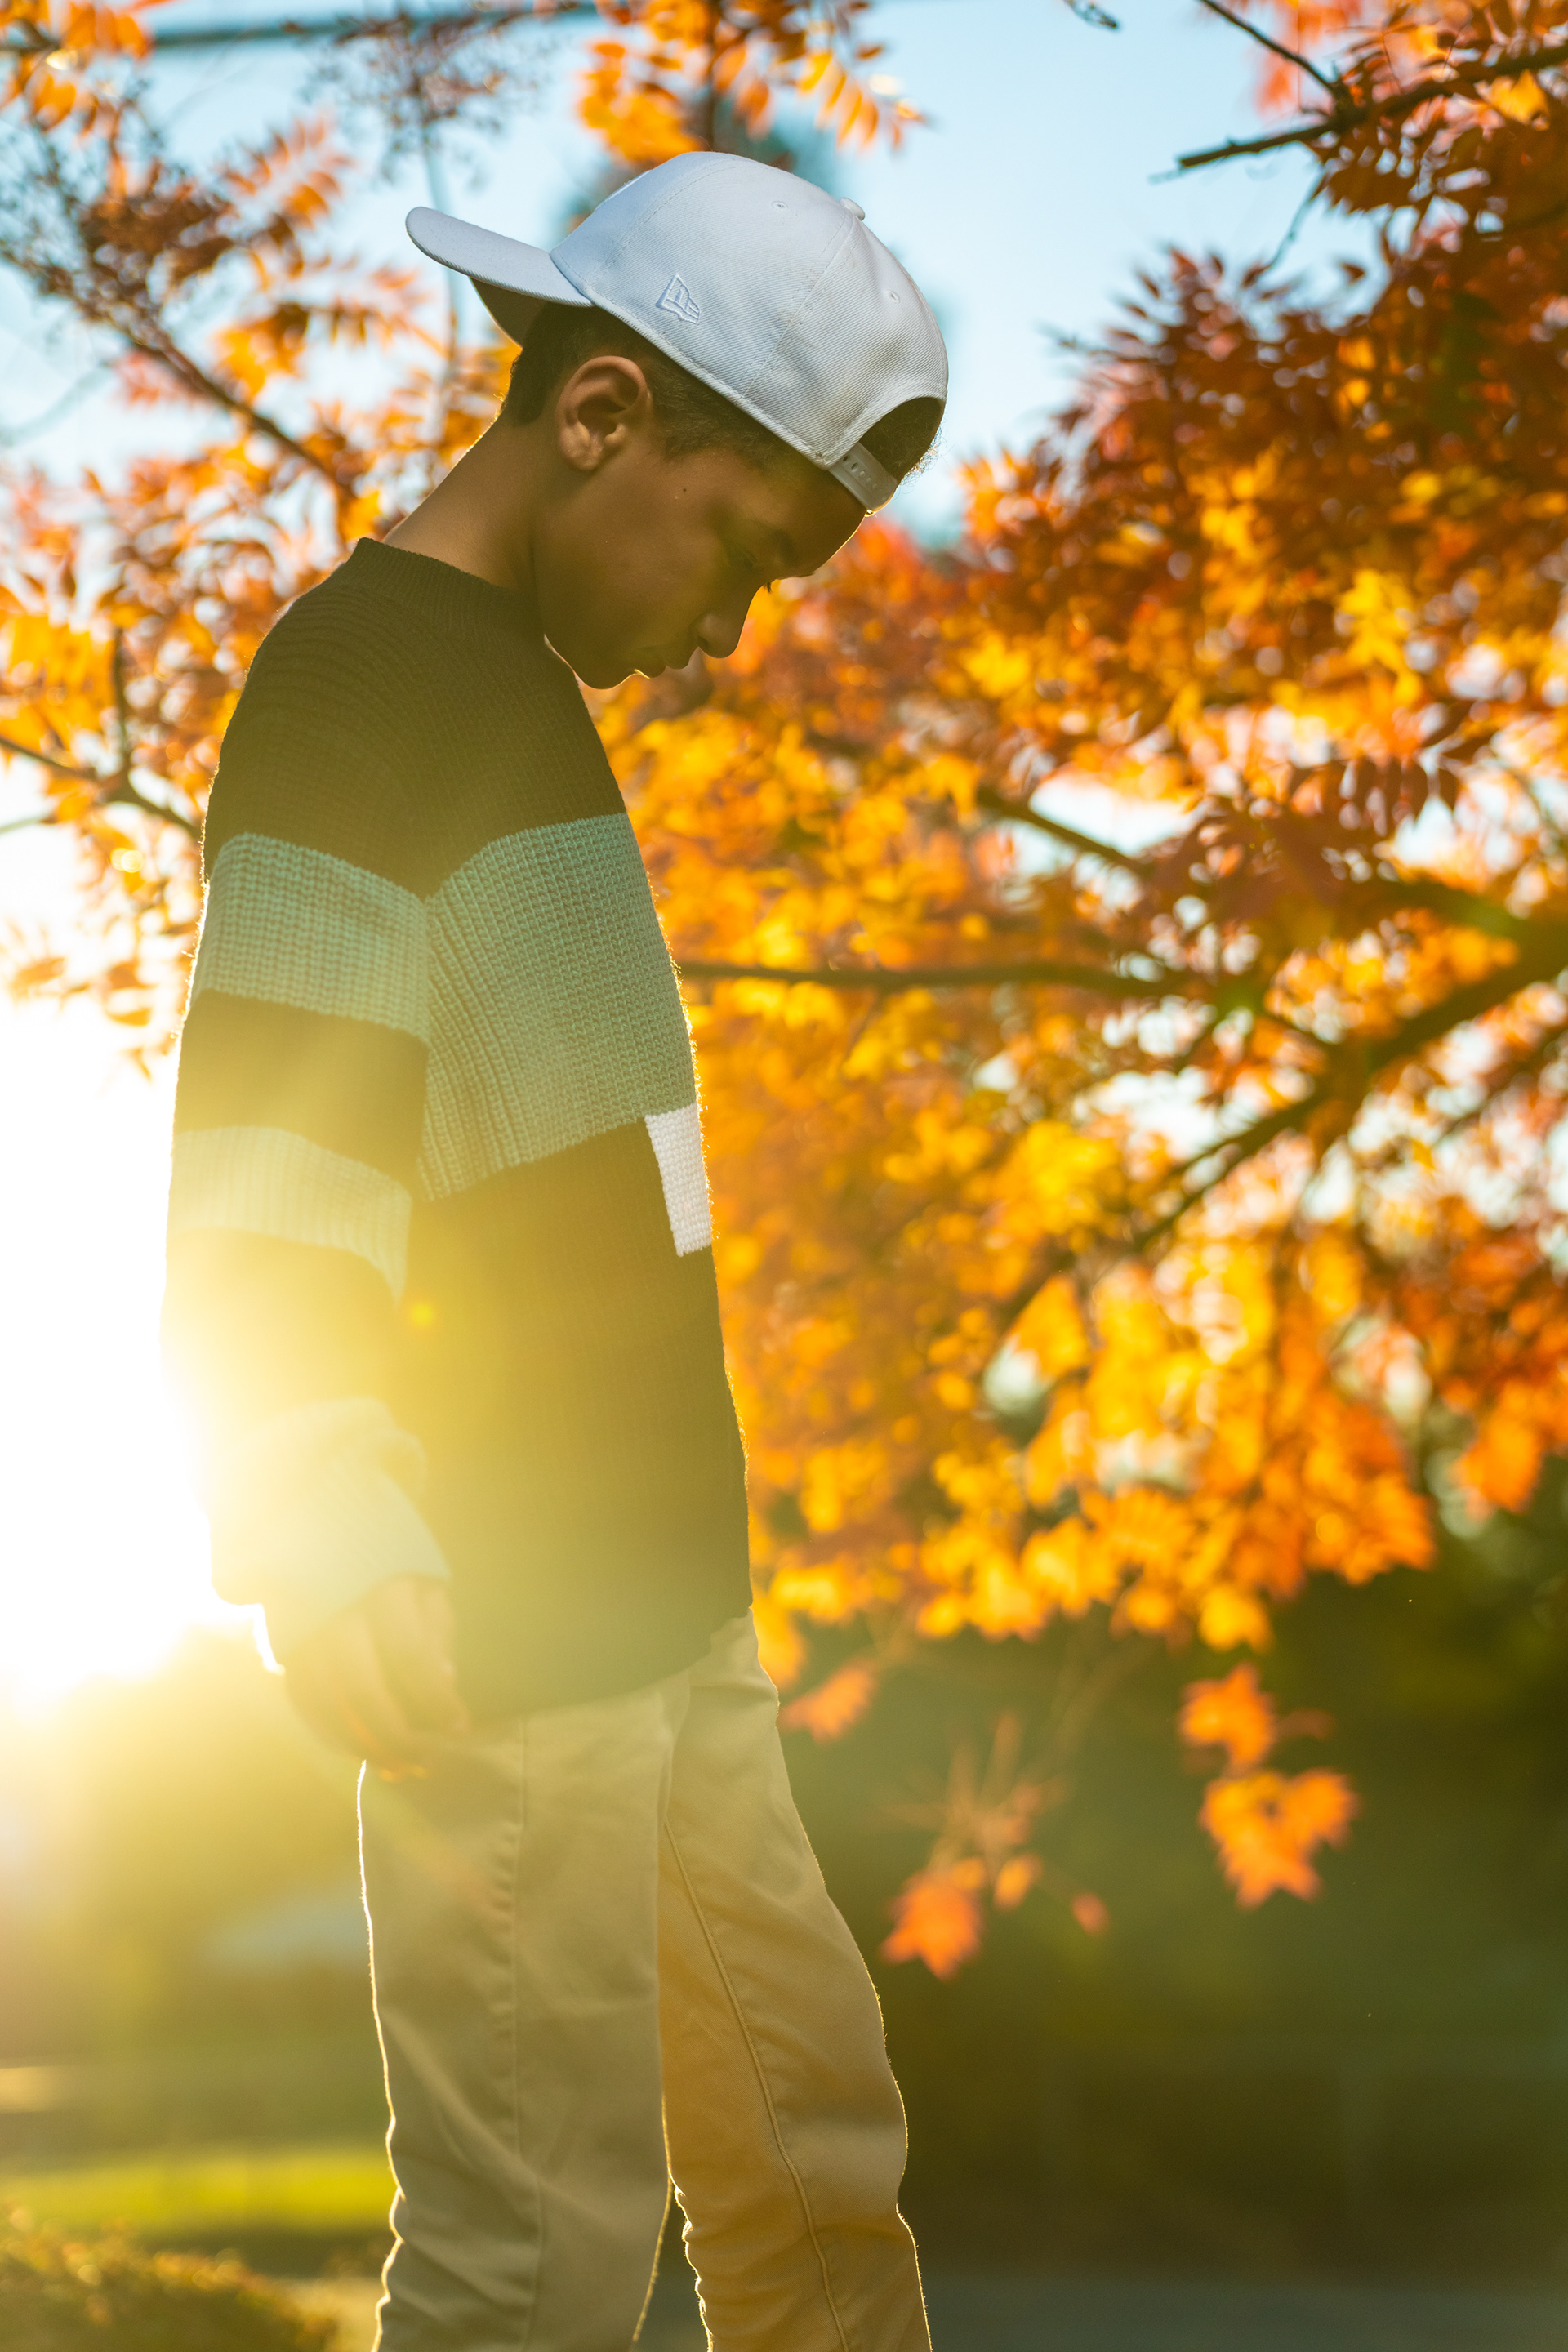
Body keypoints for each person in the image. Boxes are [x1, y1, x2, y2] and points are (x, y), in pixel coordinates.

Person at [162, 149, 947, 2352]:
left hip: (671, 1604)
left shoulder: (519, 699)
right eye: (747, 555)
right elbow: (278, 1129)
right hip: (508, 1632)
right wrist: (318, 1503)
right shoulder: (365, 687)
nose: (733, 629)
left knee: (814, 2162)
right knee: (535, 2259)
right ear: (603, 414)